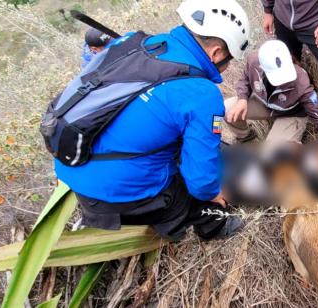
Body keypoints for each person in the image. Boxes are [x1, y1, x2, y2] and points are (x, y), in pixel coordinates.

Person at [55, 0, 250, 241]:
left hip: (75, 163)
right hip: (115, 192)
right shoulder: (201, 94)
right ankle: (212, 225)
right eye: (229, 58)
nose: (227, 66)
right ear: (216, 52)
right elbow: (201, 182)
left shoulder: (134, 43)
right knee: (202, 186)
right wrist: (214, 194)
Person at [224, 40, 318, 145]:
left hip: (291, 114)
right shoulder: (254, 61)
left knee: (272, 155)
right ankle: (246, 137)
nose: (283, 81)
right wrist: (242, 99)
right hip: (264, 104)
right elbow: (245, 79)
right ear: (261, 67)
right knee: (223, 109)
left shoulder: (301, 81)